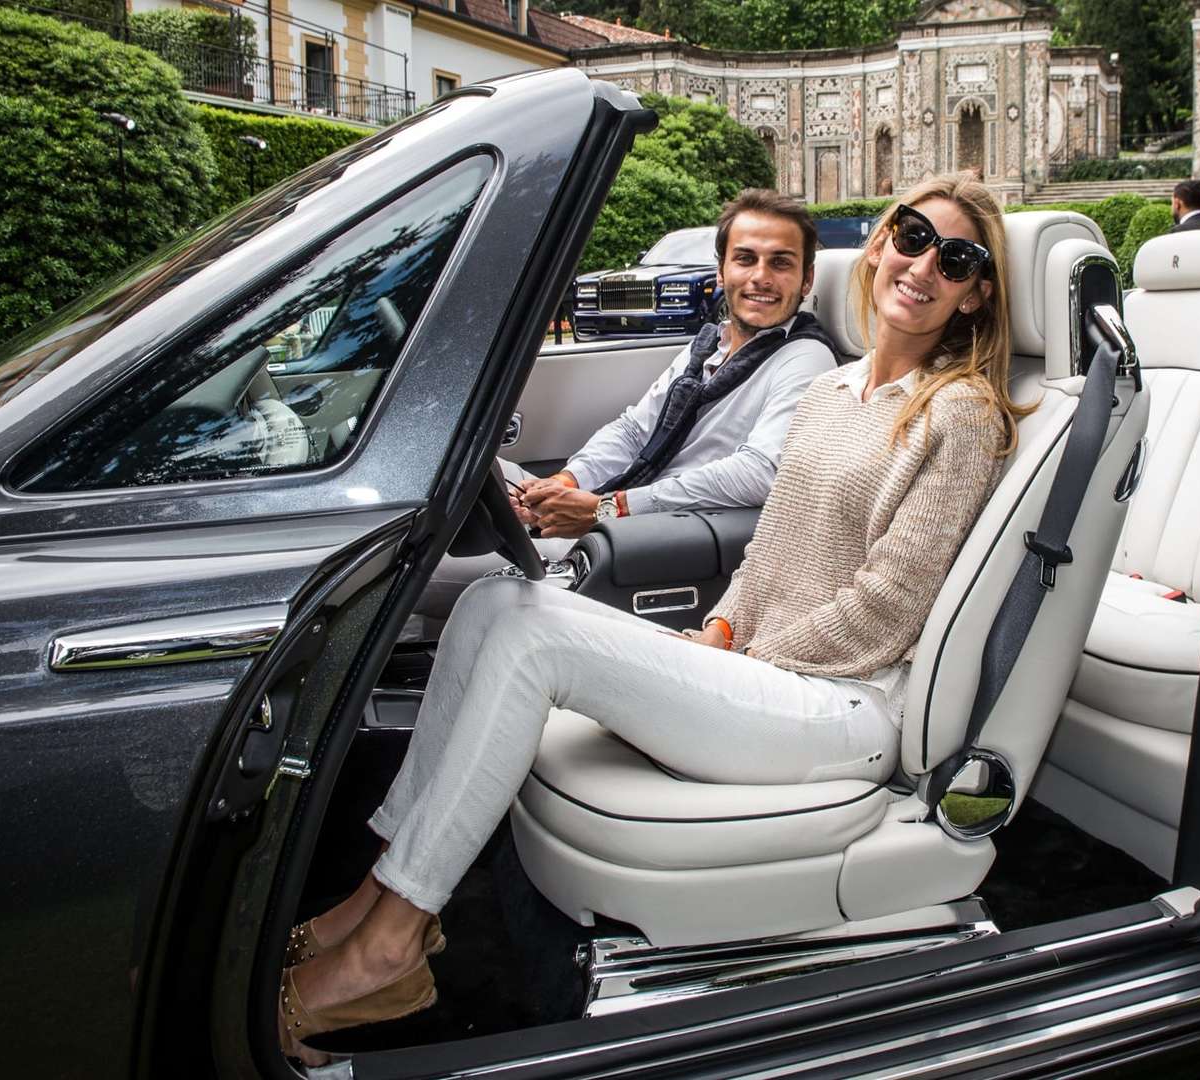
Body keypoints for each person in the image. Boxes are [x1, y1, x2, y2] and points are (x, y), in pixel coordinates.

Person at [275, 174, 1029, 1062]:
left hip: (845, 705)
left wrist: (745, 659)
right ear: (877, 245)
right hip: (773, 676)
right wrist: (719, 631)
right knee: (490, 604)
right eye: (913, 236)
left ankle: (391, 948)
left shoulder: (962, 415)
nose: (924, 266)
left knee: (530, 633)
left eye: (957, 260)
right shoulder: (833, 394)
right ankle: (376, 897)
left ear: (975, 294)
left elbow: (888, 608)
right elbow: (770, 554)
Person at [413, 189, 838, 627]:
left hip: (646, 542)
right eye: (745, 259)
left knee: (412, 565)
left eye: (780, 263)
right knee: (448, 473)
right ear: (722, 270)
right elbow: (635, 430)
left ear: (806, 280)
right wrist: (565, 482)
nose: (761, 277)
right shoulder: (710, 346)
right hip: (621, 518)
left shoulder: (805, 358)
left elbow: (760, 473)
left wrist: (606, 508)